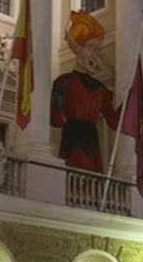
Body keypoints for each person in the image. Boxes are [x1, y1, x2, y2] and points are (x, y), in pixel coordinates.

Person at [50, 11, 119, 172]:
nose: (93, 53)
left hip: (91, 142)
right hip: (72, 140)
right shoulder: (64, 82)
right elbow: (55, 120)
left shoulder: (101, 90)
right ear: (77, 49)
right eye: (90, 47)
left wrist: (131, 100)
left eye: (96, 49)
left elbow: (114, 122)